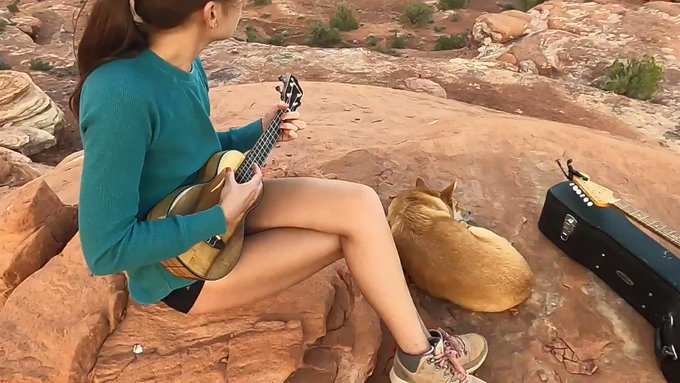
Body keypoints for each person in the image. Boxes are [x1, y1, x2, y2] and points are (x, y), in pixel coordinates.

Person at [70, 0, 490, 382]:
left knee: (362, 205)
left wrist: (256, 132)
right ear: (211, 14)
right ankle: (423, 364)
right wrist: (222, 216)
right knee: (347, 237)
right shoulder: (119, 94)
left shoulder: (183, 63)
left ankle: (418, 357)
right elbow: (106, 250)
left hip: (218, 197)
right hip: (184, 268)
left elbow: (181, 151)